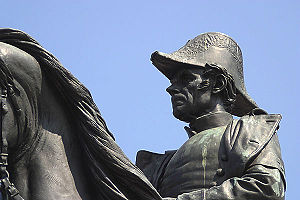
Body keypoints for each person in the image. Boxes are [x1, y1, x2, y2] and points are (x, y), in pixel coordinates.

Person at [136, 32, 286, 200]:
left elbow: (267, 188)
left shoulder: (253, 132)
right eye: (173, 81)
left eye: (186, 79)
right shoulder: (160, 166)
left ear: (218, 84)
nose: (171, 88)